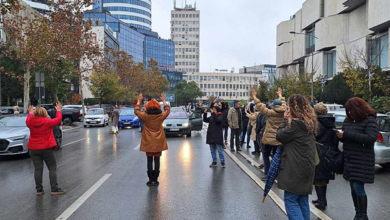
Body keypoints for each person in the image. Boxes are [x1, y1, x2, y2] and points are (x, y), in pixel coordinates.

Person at [276, 94, 318, 220]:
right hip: (307, 165)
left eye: (288, 107)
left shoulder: (294, 125)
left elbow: (279, 136)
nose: (287, 110)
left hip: (295, 168)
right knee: (302, 199)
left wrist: (284, 120)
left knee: (291, 200)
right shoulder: (309, 122)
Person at [337, 97, 379, 220]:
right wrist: (340, 136)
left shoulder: (370, 120)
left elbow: (370, 138)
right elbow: (346, 136)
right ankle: (358, 213)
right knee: (353, 187)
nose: (349, 113)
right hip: (349, 159)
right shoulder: (348, 120)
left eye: (350, 110)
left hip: (362, 160)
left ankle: (363, 215)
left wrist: (347, 134)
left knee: (357, 186)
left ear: (357, 109)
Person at [26, 103, 66, 196]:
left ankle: (39, 190)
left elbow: (29, 118)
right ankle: (54, 188)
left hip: (33, 148)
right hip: (46, 148)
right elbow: (58, 120)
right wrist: (58, 110)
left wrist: (31, 112)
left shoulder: (30, 122)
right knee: (52, 168)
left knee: (38, 169)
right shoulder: (47, 122)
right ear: (45, 113)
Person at [134, 93, 170, 186]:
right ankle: (156, 179)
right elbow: (167, 110)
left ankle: (150, 180)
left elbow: (136, 111)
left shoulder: (145, 116)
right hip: (158, 140)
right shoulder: (161, 116)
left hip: (148, 140)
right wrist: (164, 101)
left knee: (149, 160)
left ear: (148, 107)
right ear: (158, 107)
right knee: (157, 160)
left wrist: (138, 101)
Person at [252, 88, 286, 181]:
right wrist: (280, 95)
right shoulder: (284, 111)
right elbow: (283, 103)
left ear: (274, 106)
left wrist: (255, 97)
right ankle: (277, 174)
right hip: (279, 137)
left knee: (266, 154)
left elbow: (260, 107)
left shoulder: (271, 113)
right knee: (276, 156)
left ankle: (267, 173)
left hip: (269, 138)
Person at [312, 103, 339, 210]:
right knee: (323, 177)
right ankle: (322, 199)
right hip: (329, 151)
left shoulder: (317, 123)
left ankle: (321, 201)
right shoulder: (331, 122)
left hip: (318, 151)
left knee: (318, 177)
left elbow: (314, 136)